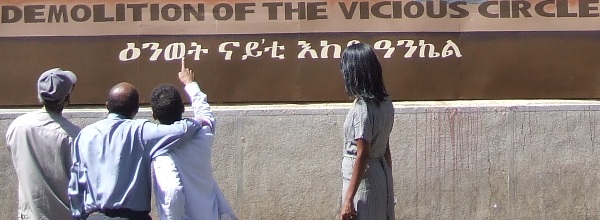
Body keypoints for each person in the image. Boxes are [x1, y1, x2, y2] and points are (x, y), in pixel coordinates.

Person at [68, 81, 202, 219]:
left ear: (107, 106)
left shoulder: (85, 135)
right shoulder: (140, 131)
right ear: (136, 110)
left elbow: (76, 182)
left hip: (95, 216)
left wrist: (78, 216)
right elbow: (178, 130)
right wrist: (199, 121)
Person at [151, 58, 237, 220]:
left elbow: (172, 191)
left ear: (154, 115)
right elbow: (206, 115)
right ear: (183, 108)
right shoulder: (201, 136)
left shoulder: (159, 150)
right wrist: (190, 84)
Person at [6, 68, 80, 220]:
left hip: (28, 215)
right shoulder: (74, 135)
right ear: (66, 99)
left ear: (39, 95)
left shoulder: (18, 125)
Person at [339, 43, 395, 220]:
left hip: (364, 182)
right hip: (380, 176)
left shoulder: (362, 108)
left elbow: (362, 153)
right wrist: (388, 183)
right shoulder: (385, 102)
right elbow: (385, 147)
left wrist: (348, 198)